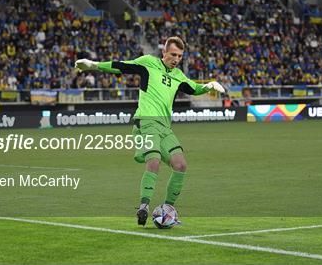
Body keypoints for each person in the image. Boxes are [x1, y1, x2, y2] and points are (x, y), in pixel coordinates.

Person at [75, 36, 225, 226]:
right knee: (153, 161)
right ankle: (144, 207)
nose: (176, 59)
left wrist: (208, 86)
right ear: (164, 52)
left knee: (180, 165)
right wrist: (94, 66)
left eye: (179, 56)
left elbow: (193, 88)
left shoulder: (178, 75)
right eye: (173, 55)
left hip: (164, 127)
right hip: (146, 122)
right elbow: (123, 66)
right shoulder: (148, 63)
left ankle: (168, 210)